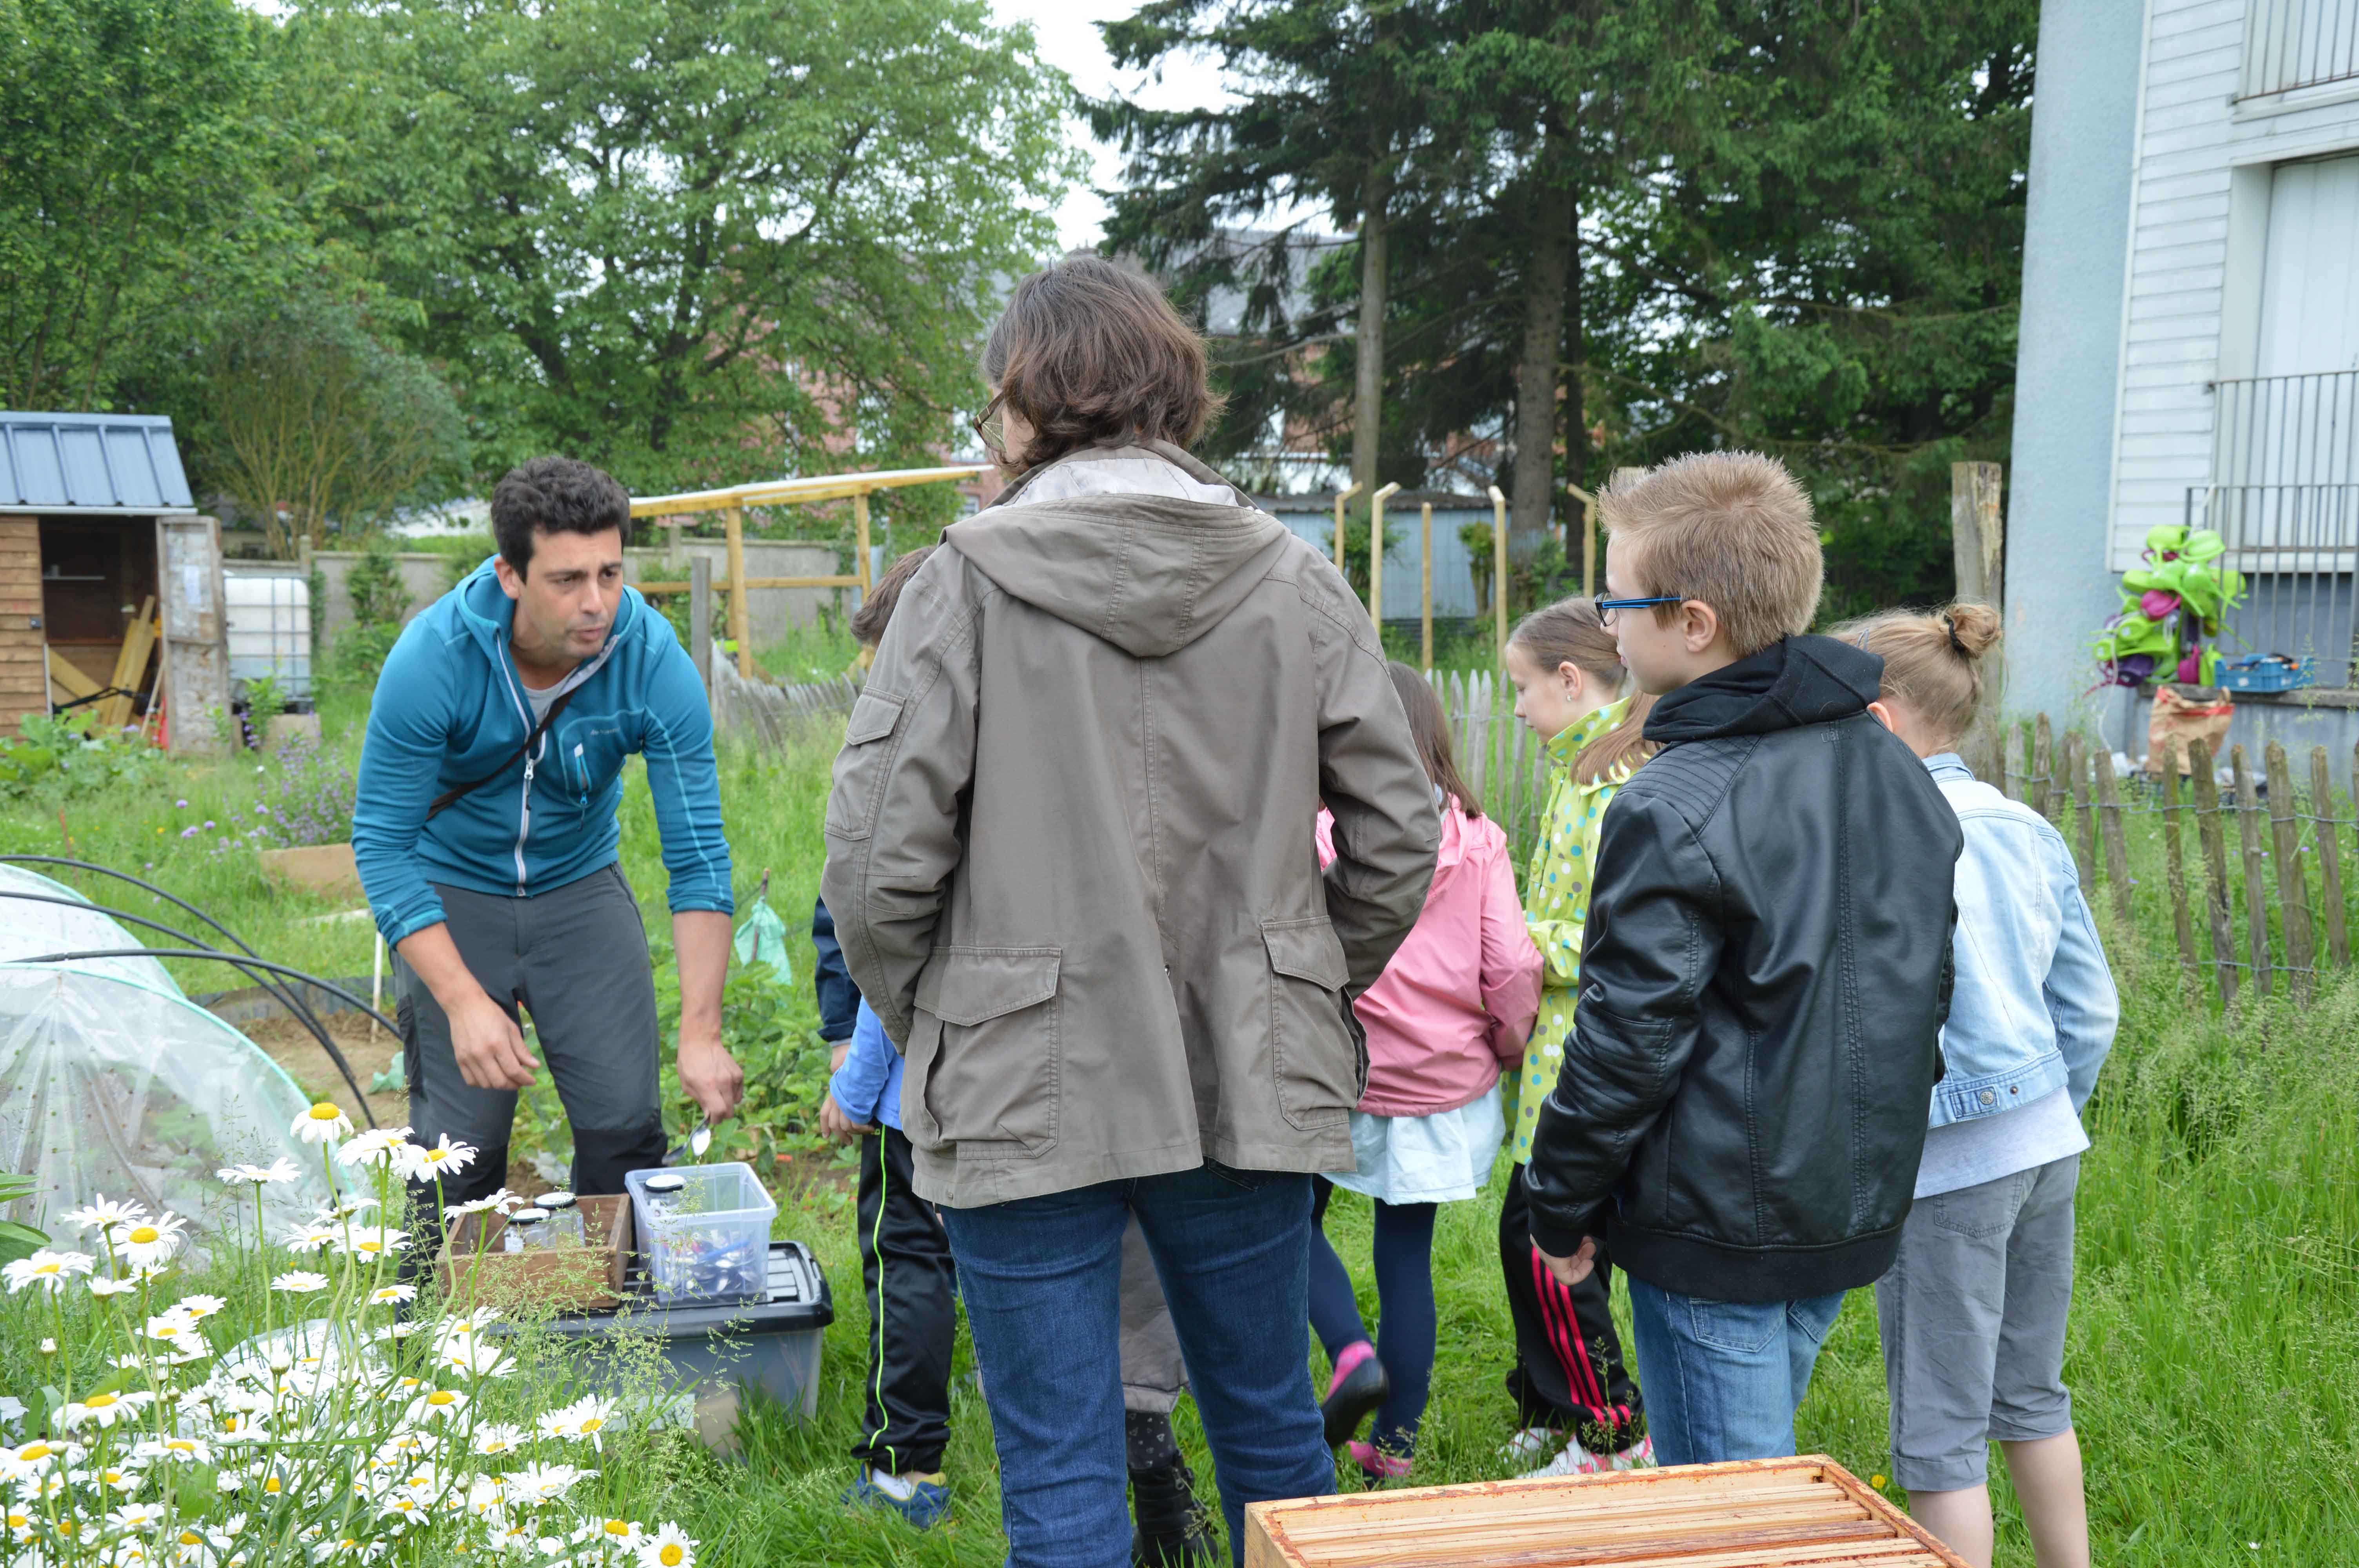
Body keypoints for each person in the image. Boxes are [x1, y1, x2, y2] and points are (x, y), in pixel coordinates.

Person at [822, 252, 1438, 1568]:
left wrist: (937, 1011)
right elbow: (1399, 836)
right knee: (1277, 1443)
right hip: (1244, 1064)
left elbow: (875, 864)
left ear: (1019, 398)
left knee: (1059, 1484)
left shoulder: (960, 586)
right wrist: (1300, 979)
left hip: (1018, 1072)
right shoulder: (1296, 579)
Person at [1521, 452, 1961, 1469]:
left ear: (1694, 623)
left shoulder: (1670, 802)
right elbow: (1924, 982)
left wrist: (1559, 1200)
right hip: (1847, 1199)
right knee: (1756, 1477)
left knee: (1730, 1506)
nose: (1608, 621)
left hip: (1715, 1228)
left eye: (1618, 597)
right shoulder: (1892, 761)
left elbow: (1627, 1036)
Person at [819, 548, 1219, 1562]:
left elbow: (886, 945)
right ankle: (1156, 1482)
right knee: (1127, 1294)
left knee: (983, 1310)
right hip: (1125, 1078)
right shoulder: (1074, 741)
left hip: (973, 1094)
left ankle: (915, 1458)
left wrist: (870, 1081)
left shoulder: (941, 781)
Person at [355, 456, 742, 1220]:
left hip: (581, 892)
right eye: (567, 579)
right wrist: (464, 1000)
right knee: (458, 1152)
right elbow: (381, 845)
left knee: (626, 1130)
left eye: (610, 572)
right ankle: (432, 1336)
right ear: (511, 576)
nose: (596, 602)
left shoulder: (653, 661)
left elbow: (697, 857)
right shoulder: (432, 660)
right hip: (453, 895)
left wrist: (701, 1031)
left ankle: (622, 1327)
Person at [1837, 604, 2114, 1568]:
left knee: (1939, 1429)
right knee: (2030, 1393)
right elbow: (2088, 1009)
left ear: (1875, 723)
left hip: (1947, 1164)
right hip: (2047, 1148)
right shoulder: (2025, 824)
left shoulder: (1875, 840)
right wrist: (2045, 1108)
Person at [1307, 662, 1541, 1486]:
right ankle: (1395, 1446)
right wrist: (1510, 1045)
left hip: (1338, 1071)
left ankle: (1349, 1349)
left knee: (1285, 1218)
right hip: (1443, 1084)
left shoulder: (1321, 828)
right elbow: (1510, 964)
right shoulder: (1478, 838)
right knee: (1405, 1256)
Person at [1492, 599, 1656, 1477]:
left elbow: (1602, 934)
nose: (1513, 707)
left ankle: (1613, 1431)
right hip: (1552, 1048)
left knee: (1557, 1247)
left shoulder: (1611, 783)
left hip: (1581, 1055)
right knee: (1524, 1229)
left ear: (1567, 677)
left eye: (1521, 686)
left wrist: (1504, 939)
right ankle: (1557, 1403)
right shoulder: (1578, 766)